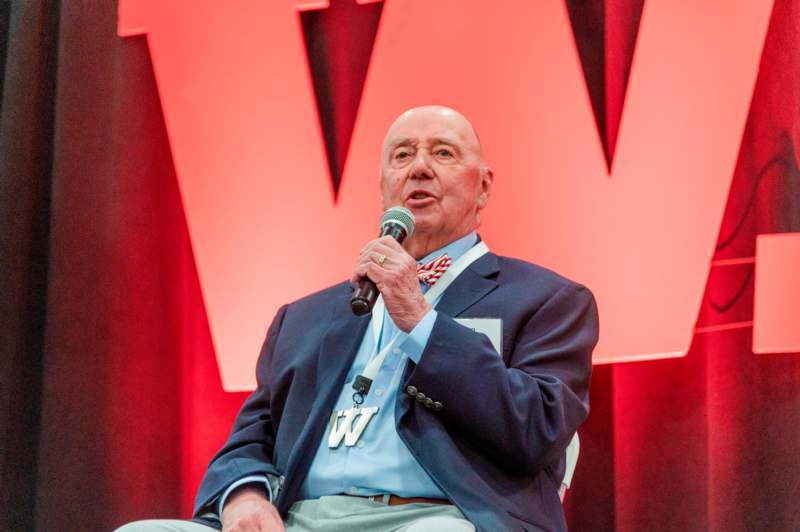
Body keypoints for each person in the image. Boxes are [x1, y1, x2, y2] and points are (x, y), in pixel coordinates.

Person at [118, 105, 598, 532]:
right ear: (384, 186)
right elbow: (251, 438)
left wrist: (421, 321)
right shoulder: (303, 318)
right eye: (402, 155)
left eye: (444, 154)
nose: (420, 169)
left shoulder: (545, 301)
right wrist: (244, 496)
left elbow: (538, 429)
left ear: (484, 187)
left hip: (440, 516)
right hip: (301, 518)